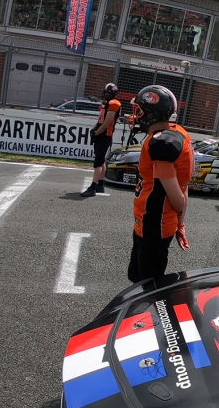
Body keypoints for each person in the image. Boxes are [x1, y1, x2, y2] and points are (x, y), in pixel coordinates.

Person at [126, 85, 192, 283]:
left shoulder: (161, 144)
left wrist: (178, 219)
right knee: (137, 277)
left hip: (154, 223)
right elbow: (184, 186)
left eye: (139, 111)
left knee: (147, 285)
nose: (135, 116)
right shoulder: (175, 132)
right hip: (149, 221)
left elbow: (178, 199)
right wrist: (180, 222)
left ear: (152, 114)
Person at [81, 83, 121, 197]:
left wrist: (97, 133)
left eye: (109, 93)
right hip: (101, 134)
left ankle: (93, 187)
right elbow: (100, 121)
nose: (107, 94)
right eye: (106, 92)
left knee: (98, 161)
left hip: (105, 135)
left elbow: (106, 123)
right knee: (101, 159)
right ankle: (100, 185)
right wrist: (93, 130)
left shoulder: (114, 104)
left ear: (114, 94)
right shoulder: (106, 104)